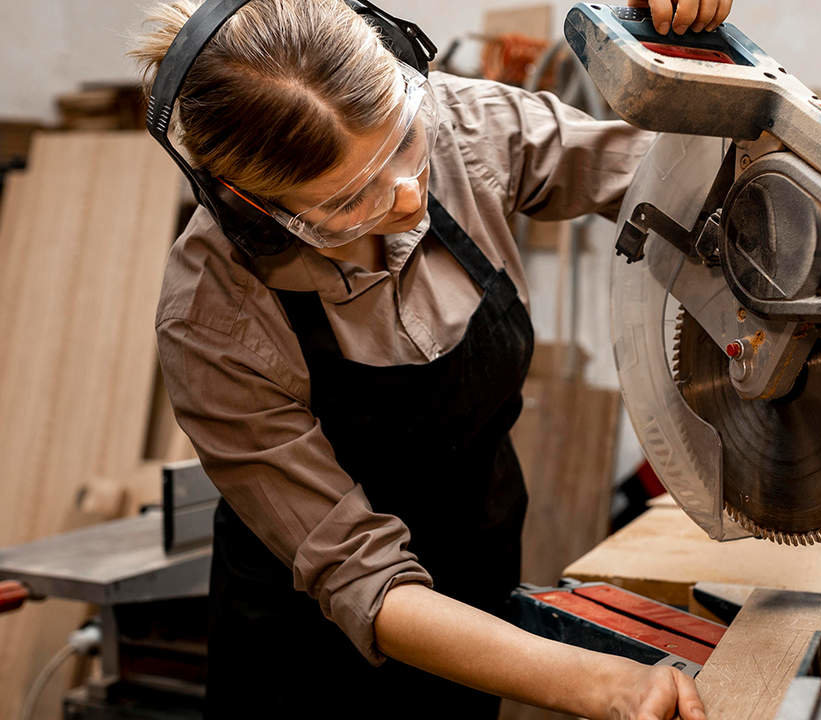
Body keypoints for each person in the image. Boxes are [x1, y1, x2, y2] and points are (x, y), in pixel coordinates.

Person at [130, 0, 733, 717]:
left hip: (480, 589)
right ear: (253, 211)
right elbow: (364, 579)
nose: (411, 197)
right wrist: (597, 682)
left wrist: (691, 57)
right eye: (352, 199)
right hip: (310, 655)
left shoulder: (459, 125)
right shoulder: (215, 312)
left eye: (404, 143)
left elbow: (679, 186)